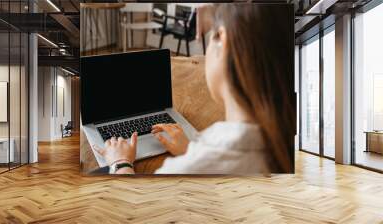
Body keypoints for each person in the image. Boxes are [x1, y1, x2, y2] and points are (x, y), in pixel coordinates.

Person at [94, 3, 295, 175]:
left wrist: (120, 163)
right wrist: (191, 149)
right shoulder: (285, 145)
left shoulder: (183, 171)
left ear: (222, 41)